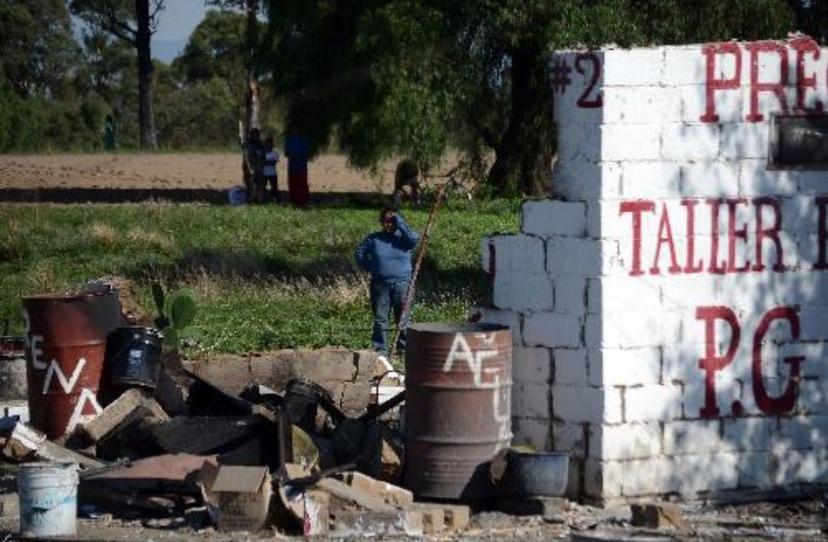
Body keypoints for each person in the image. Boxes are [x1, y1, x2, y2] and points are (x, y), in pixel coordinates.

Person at [355, 208, 420, 358]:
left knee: (403, 319)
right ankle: (381, 351)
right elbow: (359, 253)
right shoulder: (373, 239)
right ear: (381, 222)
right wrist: (370, 266)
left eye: (392, 221)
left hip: (403, 284)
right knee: (380, 319)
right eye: (386, 221)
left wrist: (400, 222)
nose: (389, 224)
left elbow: (413, 240)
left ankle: (403, 350)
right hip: (380, 284)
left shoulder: (405, 238)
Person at [284, 130, 310, 207]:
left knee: (298, 183)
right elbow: (287, 153)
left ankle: (299, 200)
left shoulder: (293, 140)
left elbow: (287, 153)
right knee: (297, 183)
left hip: (298, 166)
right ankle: (299, 200)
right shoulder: (292, 140)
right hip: (297, 166)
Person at [243, 128, 266, 203]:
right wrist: (249, 168)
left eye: (258, 134)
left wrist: (262, 166)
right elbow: (246, 157)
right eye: (255, 134)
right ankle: (250, 199)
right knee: (250, 184)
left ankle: (260, 199)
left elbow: (263, 156)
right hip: (251, 168)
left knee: (260, 185)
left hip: (259, 168)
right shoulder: (248, 144)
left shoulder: (260, 144)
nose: (257, 136)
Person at [263, 136, 280, 202]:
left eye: (270, 143)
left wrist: (266, 162)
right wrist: (269, 161)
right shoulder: (262, 153)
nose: (268, 145)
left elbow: (273, 163)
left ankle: (275, 200)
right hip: (264, 173)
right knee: (263, 188)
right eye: (267, 143)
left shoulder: (275, 153)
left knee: (274, 188)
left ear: (272, 145)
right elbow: (262, 162)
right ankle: (263, 200)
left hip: (273, 173)